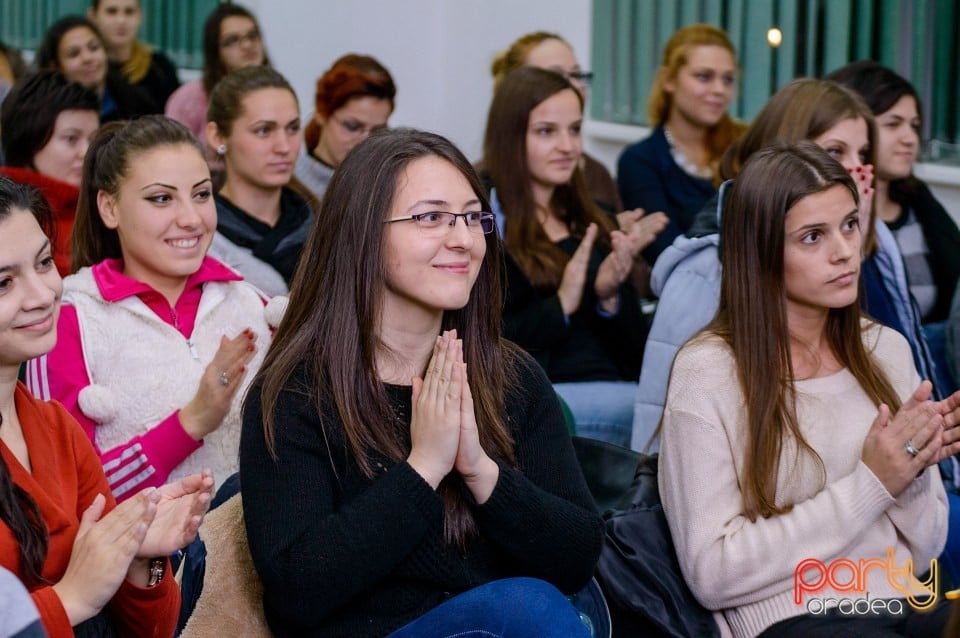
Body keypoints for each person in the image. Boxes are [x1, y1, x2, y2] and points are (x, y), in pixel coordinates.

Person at [240, 128, 603, 636]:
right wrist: (424, 467)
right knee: (525, 607)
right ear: (363, 231)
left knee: (535, 606)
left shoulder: (512, 377)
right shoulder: (299, 392)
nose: (462, 238)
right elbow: (296, 592)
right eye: (430, 217)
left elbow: (578, 558)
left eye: (473, 217)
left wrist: (478, 469)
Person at [659, 141, 960, 637]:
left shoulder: (884, 348)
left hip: (905, 600)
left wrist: (912, 471)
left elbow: (926, 546)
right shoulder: (709, 371)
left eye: (848, 224)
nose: (844, 250)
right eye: (812, 236)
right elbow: (711, 573)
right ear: (760, 251)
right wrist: (874, 482)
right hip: (795, 617)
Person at [632, 78, 937, 451]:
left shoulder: (872, 238)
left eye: (863, 154)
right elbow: (667, 420)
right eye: (835, 153)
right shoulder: (708, 267)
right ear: (787, 152)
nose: (856, 171)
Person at [0, 176, 214, 636]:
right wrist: (69, 599)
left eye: (42, 264)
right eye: (4, 283)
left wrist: (145, 557)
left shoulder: (57, 428)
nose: (41, 295)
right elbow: (79, 599)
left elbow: (155, 628)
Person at [25, 115, 275, 502]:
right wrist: (190, 423)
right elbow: (66, 498)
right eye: (161, 198)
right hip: (144, 562)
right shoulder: (69, 319)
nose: (191, 219)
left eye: (202, 194)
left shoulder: (254, 304)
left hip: (257, 559)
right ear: (110, 208)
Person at [483, 66, 657, 446]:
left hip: (613, 386)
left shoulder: (593, 216)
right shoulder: (485, 216)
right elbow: (485, 337)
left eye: (575, 129)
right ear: (510, 137)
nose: (568, 146)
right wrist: (561, 304)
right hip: (543, 396)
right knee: (667, 413)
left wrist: (609, 296)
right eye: (547, 131)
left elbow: (635, 353)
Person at [829, 61, 960, 394]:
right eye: (893, 124)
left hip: (938, 370)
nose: (909, 138)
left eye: (914, 125)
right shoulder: (836, 222)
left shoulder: (920, 203)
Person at [617, 23, 746, 263]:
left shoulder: (745, 147)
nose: (719, 90)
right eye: (704, 77)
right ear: (669, 80)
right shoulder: (641, 161)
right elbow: (668, 254)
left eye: (728, 79)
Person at [205, 66, 314, 296]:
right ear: (218, 137)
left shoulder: (321, 225)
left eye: (293, 128)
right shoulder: (200, 236)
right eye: (264, 131)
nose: (284, 147)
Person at [492, 31, 621, 214]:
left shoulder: (597, 173)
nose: (573, 86)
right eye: (555, 76)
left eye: (576, 74)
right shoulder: (484, 191)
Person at [0, 71, 99, 275]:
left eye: (93, 139)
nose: (86, 152)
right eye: (71, 139)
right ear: (30, 141)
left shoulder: (105, 207)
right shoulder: (7, 217)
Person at [165, 3, 269, 157]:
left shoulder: (274, 93)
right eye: (233, 40)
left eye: (252, 36)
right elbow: (172, 155)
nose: (247, 45)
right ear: (216, 52)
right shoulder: (189, 99)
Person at [293, 53, 395, 203]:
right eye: (352, 127)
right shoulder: (290, 188)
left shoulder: (391, 182)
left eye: (378, 131)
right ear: (322, 114)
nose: (365, 142)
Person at [34, 15, 155, 122]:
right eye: (74, 54)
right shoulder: (43, 115)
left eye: (94, 48)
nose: (87, 58)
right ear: (55, 67)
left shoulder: (137, 102)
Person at [88, 0, 180, 114]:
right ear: (93, 16)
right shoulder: (88, 68)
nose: (121, 20)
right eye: (111, 12)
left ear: (140, 16)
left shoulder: (160, 67)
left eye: (129, 12)